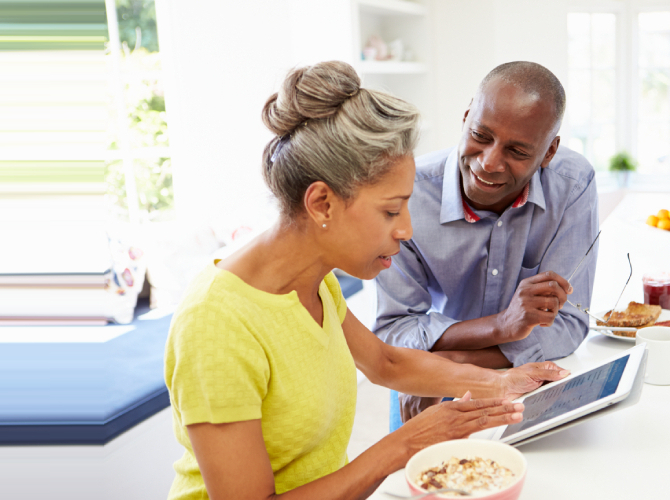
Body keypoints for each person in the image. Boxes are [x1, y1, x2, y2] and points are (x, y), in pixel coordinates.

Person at [163, 61, 569, 500]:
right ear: (322, 203)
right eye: (391, 210)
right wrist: (402, 445)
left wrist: (503, 383)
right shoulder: (216, 326)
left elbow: (385, 363)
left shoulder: (314, 282)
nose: (406, 230)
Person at [373, 62, 598, 421]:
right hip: (426, 384)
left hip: (480, 373)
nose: (490, 163)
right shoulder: (409, 195)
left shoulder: (572, 184)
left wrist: (453, 361)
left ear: (549, 152)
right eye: (481, 135)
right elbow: (394, 332)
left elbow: (568, 324)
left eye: (518, 152)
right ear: (465, 119)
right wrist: (501, 327)